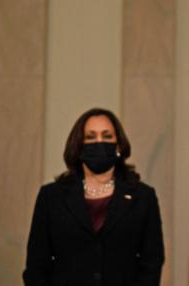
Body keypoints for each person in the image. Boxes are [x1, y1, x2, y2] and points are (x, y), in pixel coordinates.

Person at [23, 108, 164, 286]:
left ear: (119, 145)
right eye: (90, 137)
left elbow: (151, 264)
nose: (99, 142)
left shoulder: (143, 197)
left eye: (106, 136)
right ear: (79, 146)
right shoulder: (51, 197)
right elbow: (36, 267)